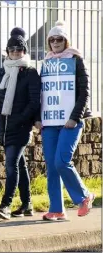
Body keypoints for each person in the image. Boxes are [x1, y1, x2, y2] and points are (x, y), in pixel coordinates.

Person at [0, 27, 41, 220]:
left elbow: (34, 101)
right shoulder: (2, 72)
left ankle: (6, 204)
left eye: (18, 50)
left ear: (24, 52)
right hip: (4, 125)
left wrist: (21, 120)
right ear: (7, 52)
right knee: (20, 165)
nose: (15, 53)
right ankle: (27, 205)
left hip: (20, 127)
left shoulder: (30, 73)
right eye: (11, 50)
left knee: (11, 164)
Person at [35, 21, 95, 221]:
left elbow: (84, 92)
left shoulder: (77, 60)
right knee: (52, 166)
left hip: (71, 122)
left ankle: (84, 196)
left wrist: (74, 117)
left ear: (66, 40)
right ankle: (56, 209)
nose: (55, 42)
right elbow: (40, 93)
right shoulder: (46, 63)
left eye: (59, 39)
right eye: (51, 39)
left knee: (62, 161)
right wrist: (37, 119)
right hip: (50, 122)